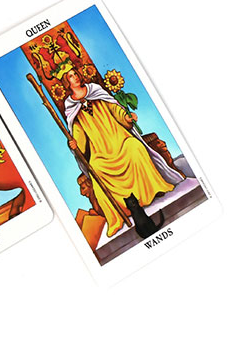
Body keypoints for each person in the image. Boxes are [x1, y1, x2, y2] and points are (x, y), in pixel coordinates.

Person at [62, 67, 183, 237]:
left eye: (75, 73)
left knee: (135, 147)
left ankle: (151, 191)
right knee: (96, 168)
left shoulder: (95, 91)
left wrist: (126, 117)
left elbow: (115, 110)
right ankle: (119, 213)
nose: (75, 77)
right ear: (66, 82)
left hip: (120, 140)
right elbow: (79, 134)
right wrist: (75, 144)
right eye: (70, 76)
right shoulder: (71, 106)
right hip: (100, 151)